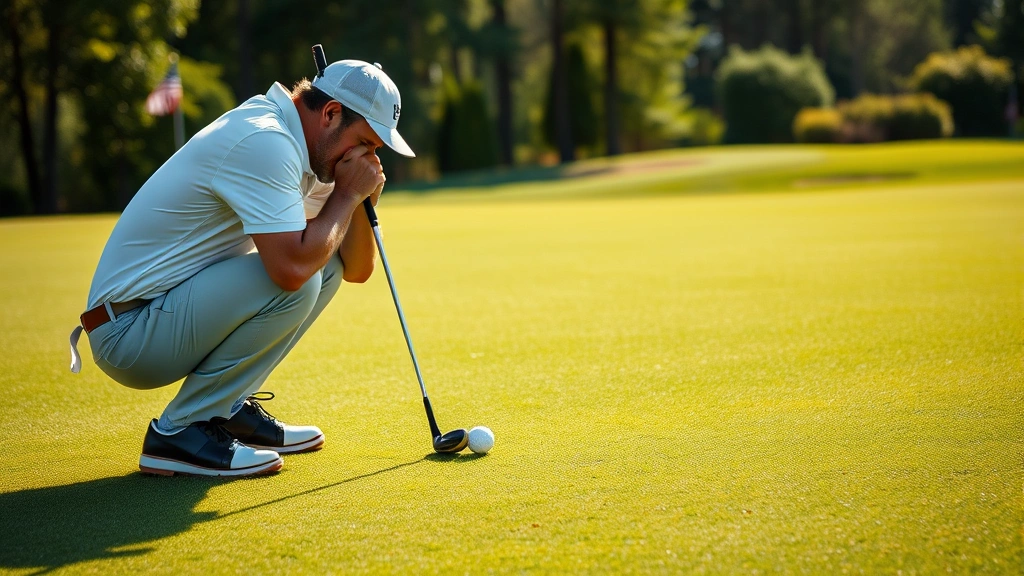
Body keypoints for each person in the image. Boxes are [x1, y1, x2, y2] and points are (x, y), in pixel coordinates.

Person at [68, 59, 415, 477]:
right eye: (365, 143)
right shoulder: (265, 141)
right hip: (127, 331)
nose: (367, 159)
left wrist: (359, 197)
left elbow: (356, 268)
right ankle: (180, 431)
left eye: (375, 151)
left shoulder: (306, 148)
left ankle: (226, 409)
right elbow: (289, 271)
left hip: (159, 316)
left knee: (325, 268)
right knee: (297, 279)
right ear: (330, 113)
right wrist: (346, 195)